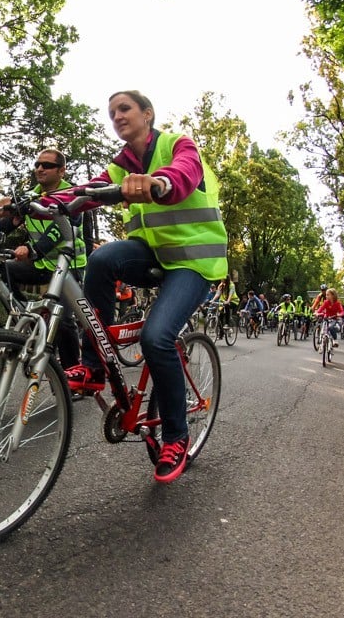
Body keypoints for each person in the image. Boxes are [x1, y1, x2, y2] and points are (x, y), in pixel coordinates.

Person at [64, 90, 229, 483]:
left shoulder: (177, 145)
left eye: (125, 109)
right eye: (111, 112)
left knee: (156, 338)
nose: (117, 116)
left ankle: (176, 436)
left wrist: (157, 183)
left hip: (193, 262)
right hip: (154, 256)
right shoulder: (122, 164)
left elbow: (184, 175)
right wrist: (37, 204)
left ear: (147, 114)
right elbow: (84, 192)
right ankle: (93, 367)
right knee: (102, 259)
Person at [0, 149, 85, 367]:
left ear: (61, 170)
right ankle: (26, 315)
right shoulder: (30, 196)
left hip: (68, 265)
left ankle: (71, 371)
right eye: (37, 164)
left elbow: (61, 229)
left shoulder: (73, 195)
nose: (39, 168)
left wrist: (32, 249)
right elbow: (8, 223)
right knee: (0, 270)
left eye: (46, 165)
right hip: (41, 263)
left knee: (64, 320)